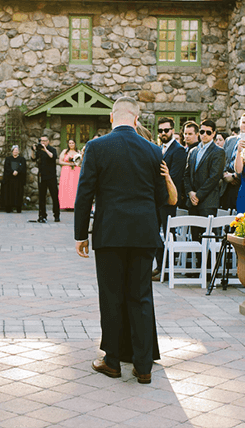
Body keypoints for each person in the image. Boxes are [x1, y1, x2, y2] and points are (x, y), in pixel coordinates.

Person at [74, 96, 168, 385]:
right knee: (140, 296)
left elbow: (84, 192)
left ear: (112, 118)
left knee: (111, 296)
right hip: (143, 233)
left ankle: (112, 360)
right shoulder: (154, 150)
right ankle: (143, 366)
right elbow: (161, 198)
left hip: (110, 233)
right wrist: (154, 230)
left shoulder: (97, 147)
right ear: (137, 119)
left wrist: (81, 234)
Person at [153, 117, 186, 281]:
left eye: (166, 130)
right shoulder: (159, 148)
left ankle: (166, 269)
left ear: (173, 130)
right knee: (154, 233)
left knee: (168, 234)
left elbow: (175, 176)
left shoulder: (178, 150)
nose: (163, 133)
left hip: (169, 199)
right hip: (157, 199)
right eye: (160, 131)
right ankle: (159, 265)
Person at [183, 119, 225, 236]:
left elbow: (214, 177)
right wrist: (190, 193)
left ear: (214, 133)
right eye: (202, 132)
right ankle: (196, 256)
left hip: (208, 202)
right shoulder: (193, 151)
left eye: (208, 132)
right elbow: (186, 175)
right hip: (192, 201)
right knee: (195, 237)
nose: (204, 135)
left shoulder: (218, 152)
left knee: (207, 238)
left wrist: (198, 195)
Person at [222, 112, 245, 213]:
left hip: (243, 184)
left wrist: (235, 176)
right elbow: (223, 159)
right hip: (226, 185)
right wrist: (224, 174)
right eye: (243, 122)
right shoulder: (229, 140)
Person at [32, 135, 60, 223]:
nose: (42, 142)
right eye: (41, 141)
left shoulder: (52, 149)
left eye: (44, 141)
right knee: (41, 196)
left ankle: (56, 215)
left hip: (51, 176)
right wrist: (33, 150)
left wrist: (45, 150)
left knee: (54, 196)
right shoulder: (39, 150)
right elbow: (33, 158)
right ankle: (42, 215)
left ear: (48, 141)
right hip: (42, 176)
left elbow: (52, 157)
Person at [0, 145, 26, 213]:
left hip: (18, 180)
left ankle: (18, 208)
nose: (15, 152)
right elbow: (7, 167)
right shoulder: (8, 159)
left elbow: (23, 167)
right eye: (14, 150)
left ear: (19, 152)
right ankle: (9, 208)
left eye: (17, 150)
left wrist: (17, 171)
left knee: (18, 193)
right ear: (12, 151)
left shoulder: (22, 159)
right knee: (9, 194)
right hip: (10, 179)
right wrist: (12, 172)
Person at [58, 139, 81, 210]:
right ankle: (66, 205)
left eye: (72, 143)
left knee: (74, 187)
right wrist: (69, 163)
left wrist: (75, 164)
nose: (71, 144)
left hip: (75, 170)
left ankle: (74, 204)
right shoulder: (65, 151)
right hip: (66, 171)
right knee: (66, 187)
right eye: (70, 143)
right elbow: (60, 161)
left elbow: (80, 162)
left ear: (75, 144)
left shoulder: (78, 152)